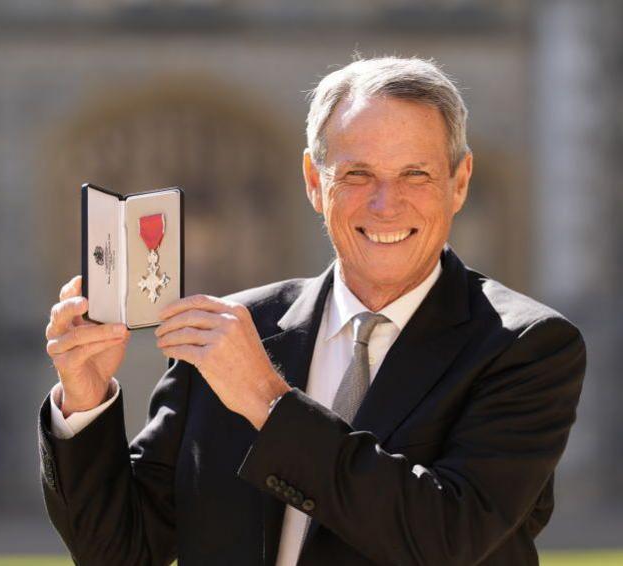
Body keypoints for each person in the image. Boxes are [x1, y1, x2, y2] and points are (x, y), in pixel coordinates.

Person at [40, 56, 586, 566]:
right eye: (357, 174)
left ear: (459, 182)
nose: (385, 204)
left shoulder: (527, 347)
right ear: (313, 182)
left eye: (415, 175)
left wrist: (267, 401)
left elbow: (447, 536)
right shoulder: (231, 331)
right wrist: (85, 402)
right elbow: (121, 552)